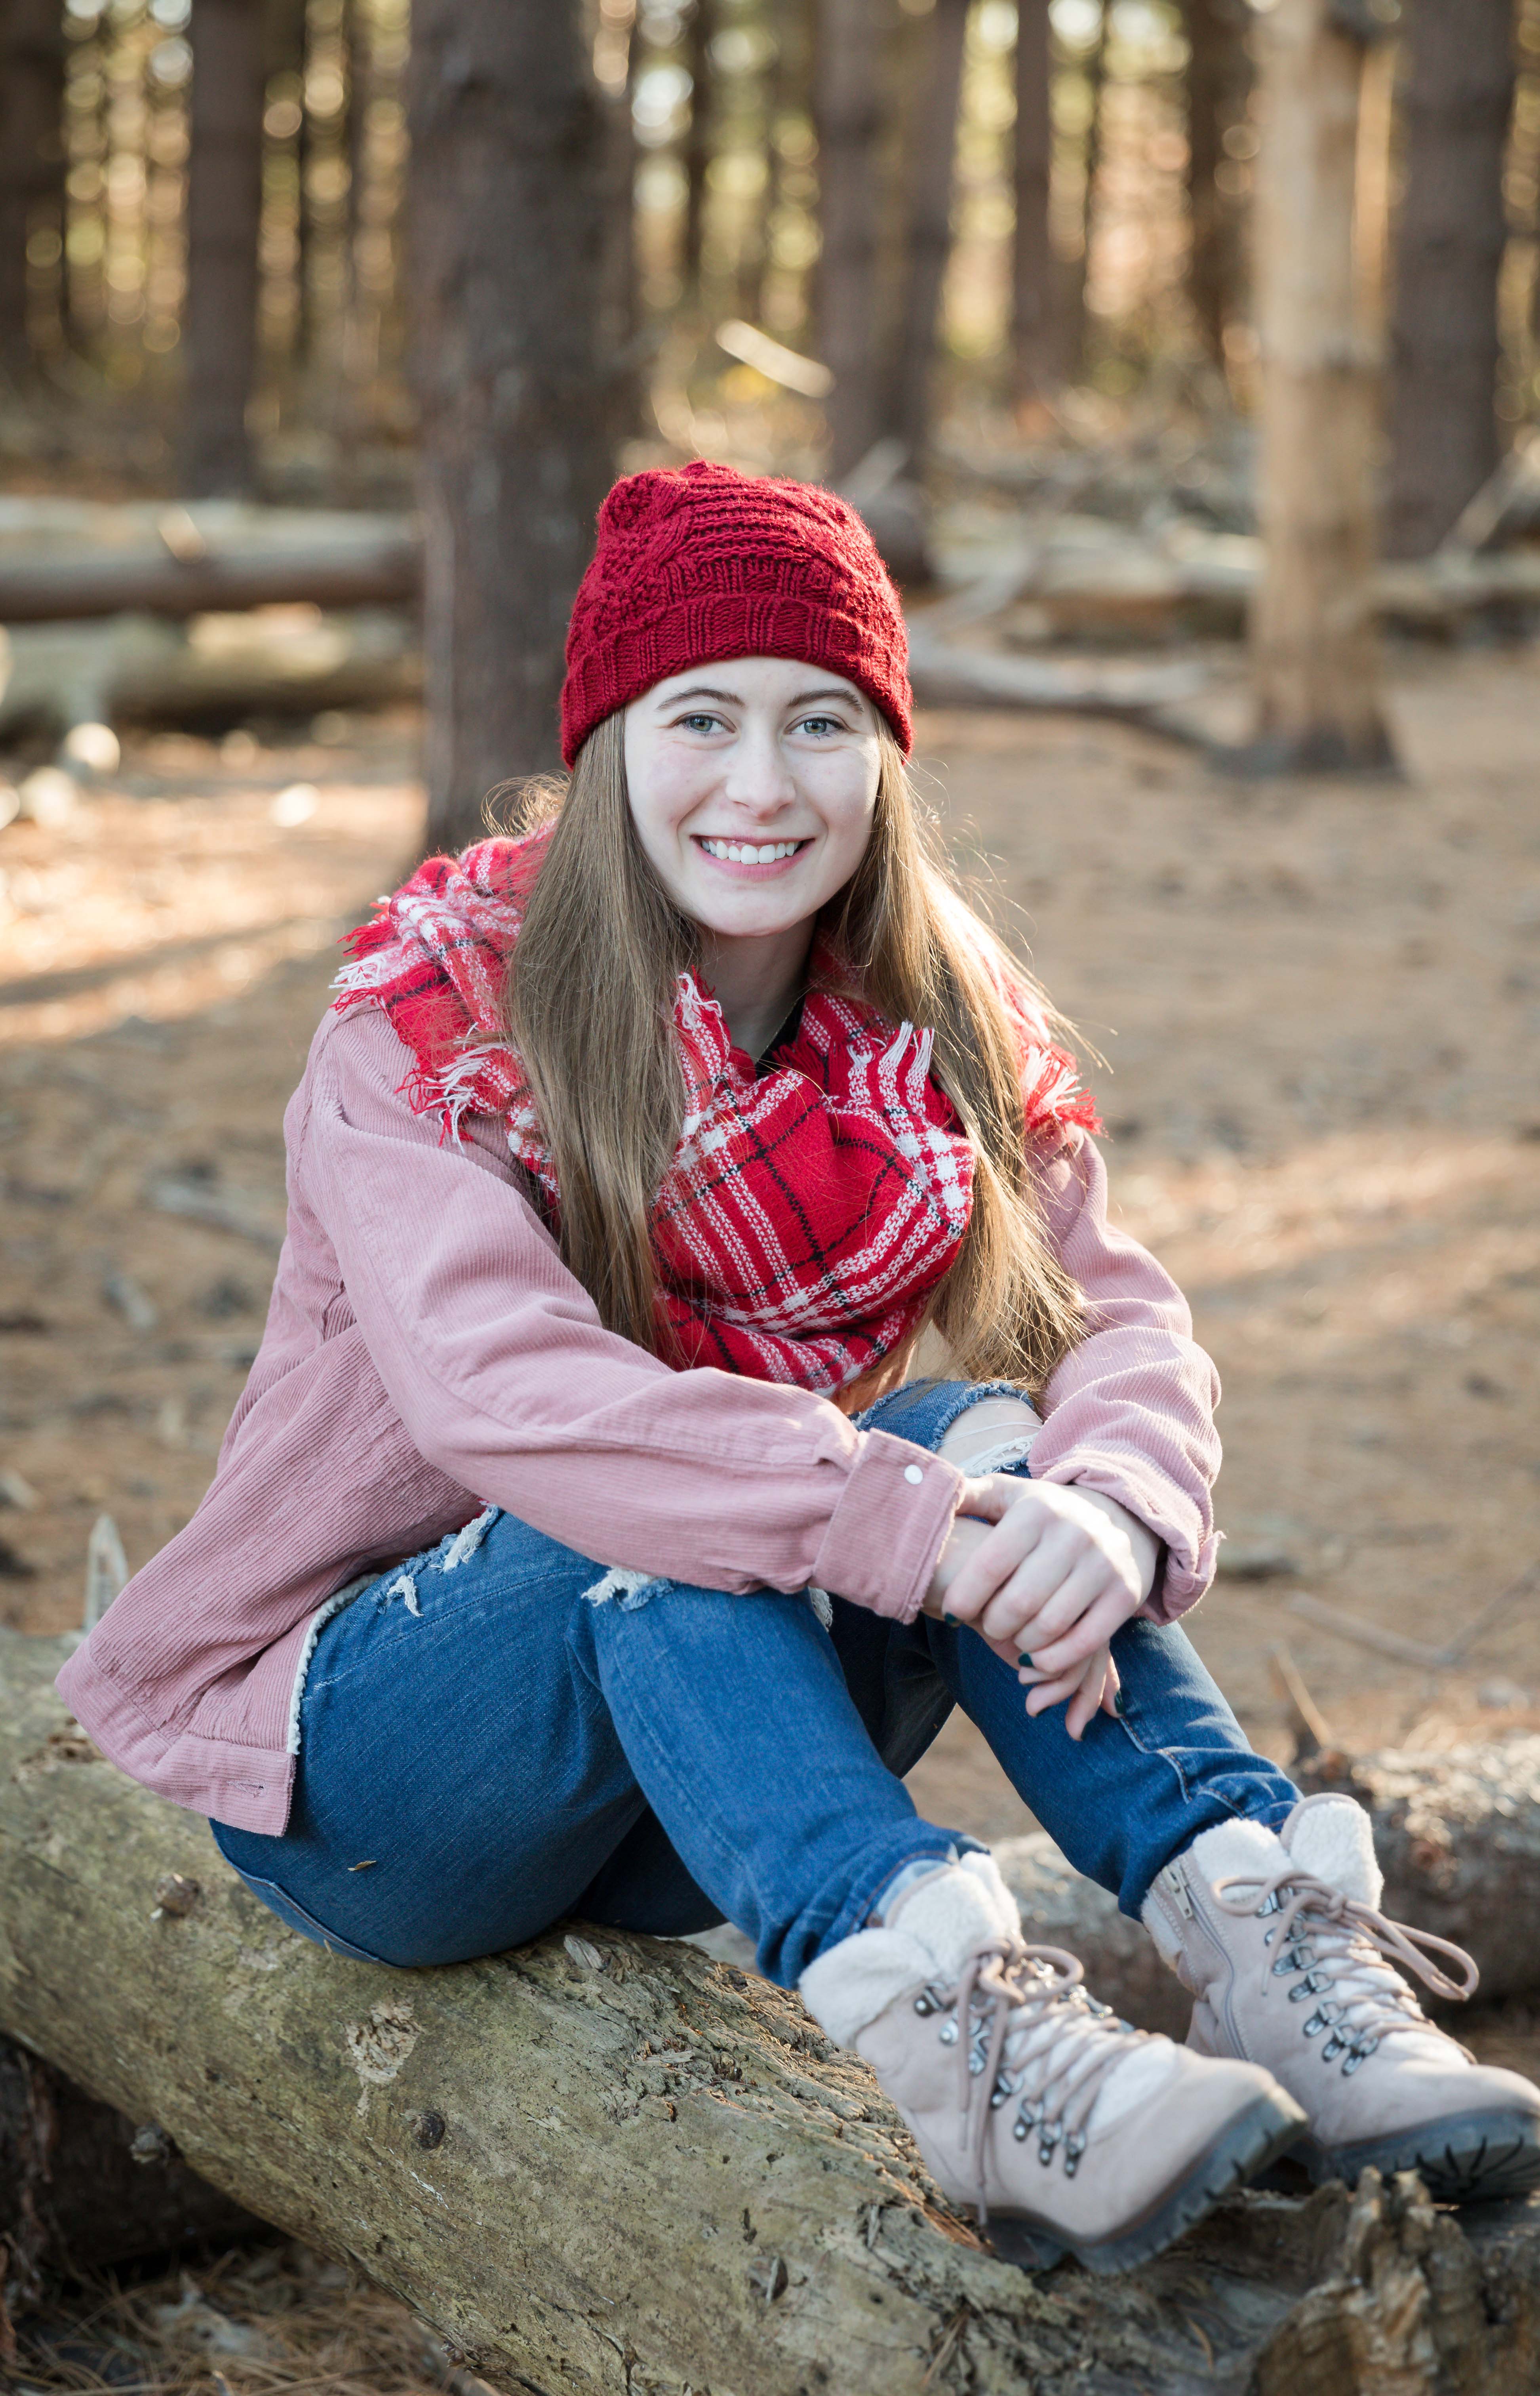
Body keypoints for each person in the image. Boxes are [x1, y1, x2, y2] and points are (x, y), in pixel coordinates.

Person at [60, 463, 1540, 2277]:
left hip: (692, 1773)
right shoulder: (437, 1022)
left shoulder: (932, 1031)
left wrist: (1105, 1508)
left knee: (979, 1432)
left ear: (884, 755)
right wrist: (911, 1526)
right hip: (373, 1780)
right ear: (610, 742)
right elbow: (508, 1396)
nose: (761, 784)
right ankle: (965, 2041)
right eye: (702, 718)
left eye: (819, 721)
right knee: (684, 1506)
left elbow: (1116, 1321)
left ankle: (1266, 1940)